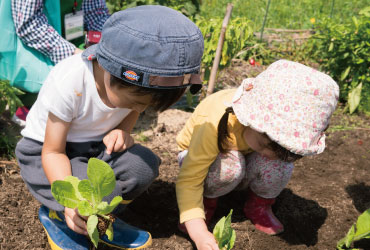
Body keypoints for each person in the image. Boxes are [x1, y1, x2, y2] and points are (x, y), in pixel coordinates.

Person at [15, 5, 204, 250]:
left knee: (142, 167)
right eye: (136, 103)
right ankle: (61, 216)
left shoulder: (128, 88)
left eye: (144, 107)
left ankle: (99, 217)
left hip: (93, 149)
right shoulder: (70, 82)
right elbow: (52, 152)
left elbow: (132, 109)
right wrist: (71, 202)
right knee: (93, 192)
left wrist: (123, 132)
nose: (139, 109)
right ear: (110, 71)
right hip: (47, 155)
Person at [175, 59, 339, 250]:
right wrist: (199, 232)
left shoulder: (266, 142)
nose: (271, 155)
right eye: (264, 145)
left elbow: (275, 155)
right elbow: (190, 179)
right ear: (251, 121)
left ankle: (258, 205)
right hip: (199, 160)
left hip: (241, 155)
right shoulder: (214, 120)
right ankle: (206, 203)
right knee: (231, 167)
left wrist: (269, 153)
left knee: (280, 165)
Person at [2, 0, 110, 125]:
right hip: (35, 43)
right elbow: (29, 25)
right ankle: (30, 105)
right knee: (51, 86)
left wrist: (108, 40)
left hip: (70, 33)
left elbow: (95, 14)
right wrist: (73, 54)